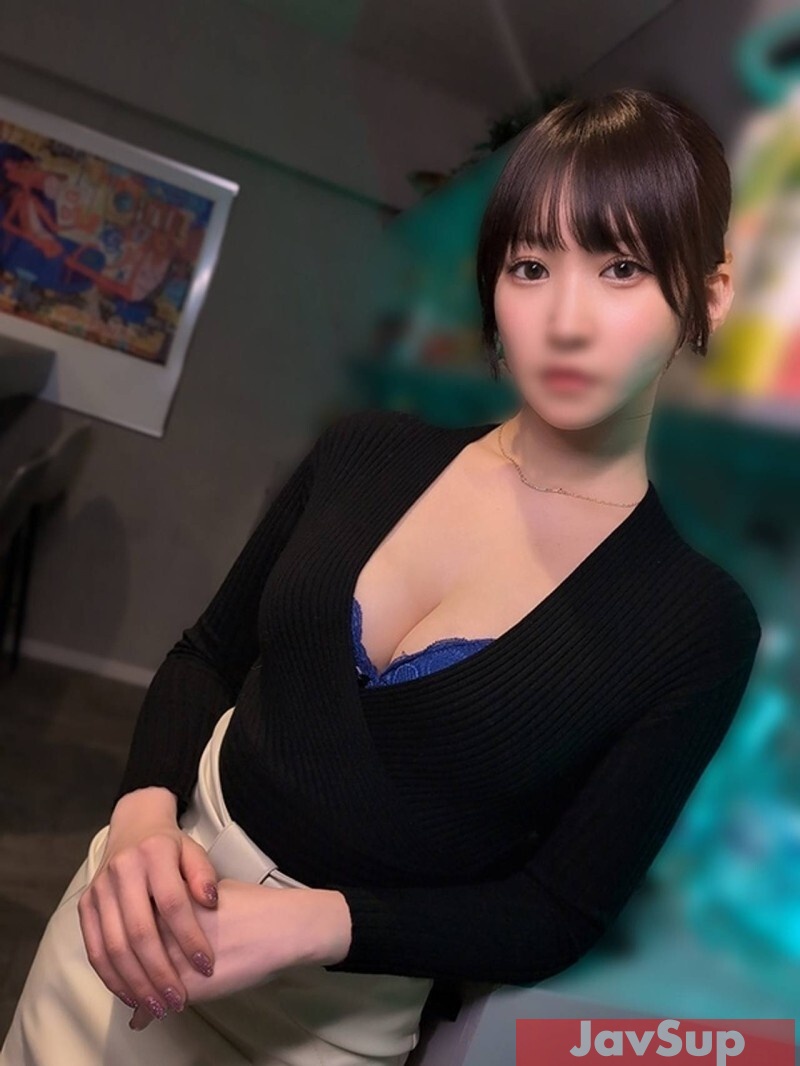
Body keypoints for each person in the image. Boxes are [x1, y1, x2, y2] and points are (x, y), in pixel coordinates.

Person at [2, 86, 762, 1065]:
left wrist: (319, 924)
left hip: (320, 1030)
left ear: (707, 294)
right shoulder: (363, 453)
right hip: (124, 931)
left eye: (621, 267)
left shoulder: (696, 622)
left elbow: (555, 910)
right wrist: (143, 817)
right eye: (531, 265)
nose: (565, 320)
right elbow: (207, 655)